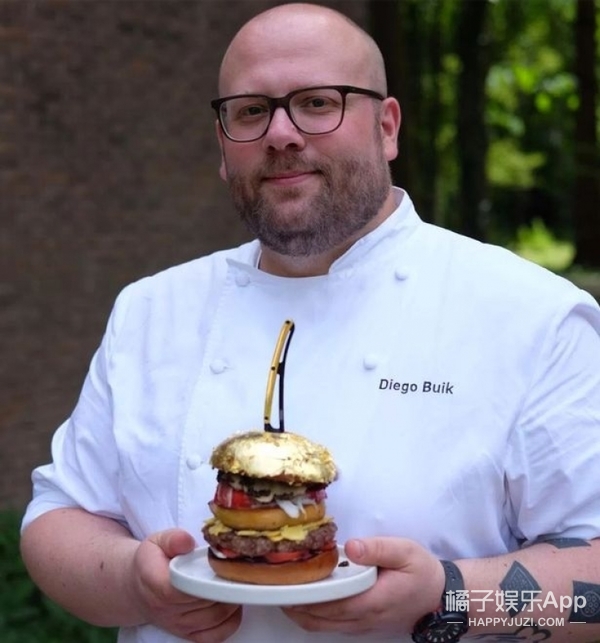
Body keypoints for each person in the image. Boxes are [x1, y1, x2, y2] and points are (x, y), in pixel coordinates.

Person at [20, 3, 600, 643]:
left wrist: (448, 597)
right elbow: (58, 518)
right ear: (223, 147)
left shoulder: (532, 316)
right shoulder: (151, 310)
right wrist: (137, 584)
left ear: (387, 128)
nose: (281, 134)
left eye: (318, 103)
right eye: (250, 111)